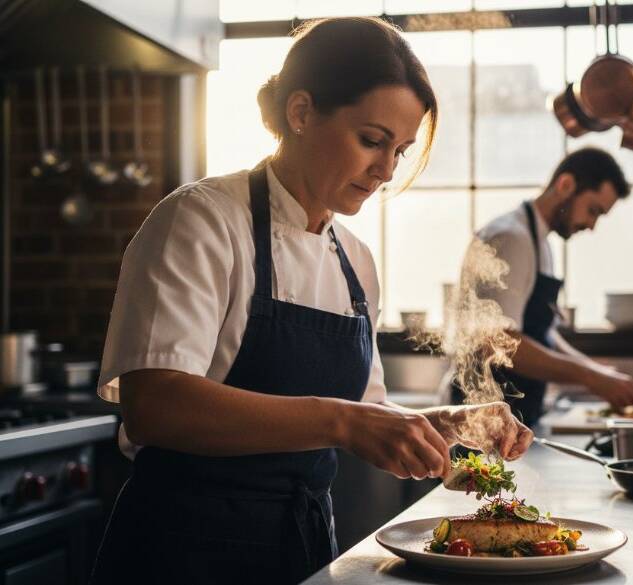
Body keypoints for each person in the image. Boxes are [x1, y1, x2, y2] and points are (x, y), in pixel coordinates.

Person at [90, 17, 532, 585]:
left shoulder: (355, 259)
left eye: (400, 150)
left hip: (300, 548)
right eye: (372, 140)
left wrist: (446, 426)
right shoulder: (201, 220)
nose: (386, 170)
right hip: (183, 549)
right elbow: (156, 406)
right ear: (300, 113)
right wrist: (343, 422)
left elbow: (367, 414)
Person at [451, 148, 633, 427]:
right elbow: (496, 342)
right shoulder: (509, 238)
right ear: (566, 185)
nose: (591, 225)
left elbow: (542, 334)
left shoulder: (539, 243)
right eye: (593, 210)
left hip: (517, 414)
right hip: (483, 419)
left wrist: (597, 371)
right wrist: (591, 377)